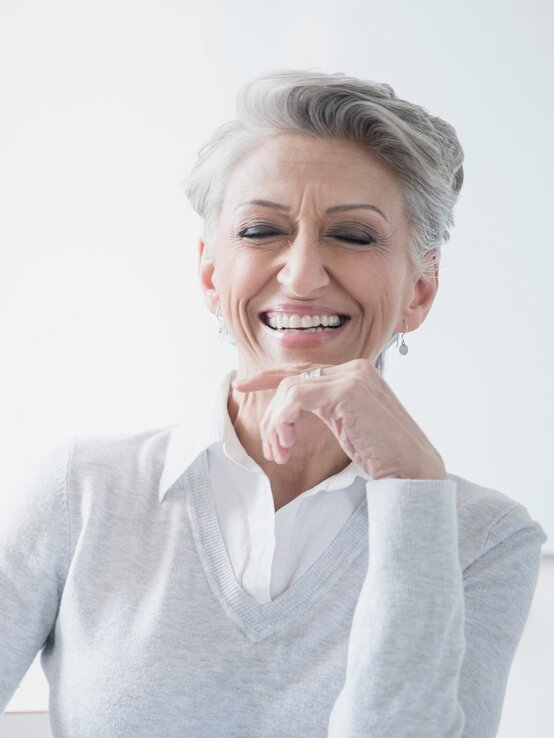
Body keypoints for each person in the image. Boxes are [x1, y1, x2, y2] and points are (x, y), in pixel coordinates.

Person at [0, 69, 548, 738]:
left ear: (420, 292)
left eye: (353, 236)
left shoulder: (483, 540)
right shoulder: (81, 492)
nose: (301, 274)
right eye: (262, 231)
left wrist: (412, 492)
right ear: (210, 274)